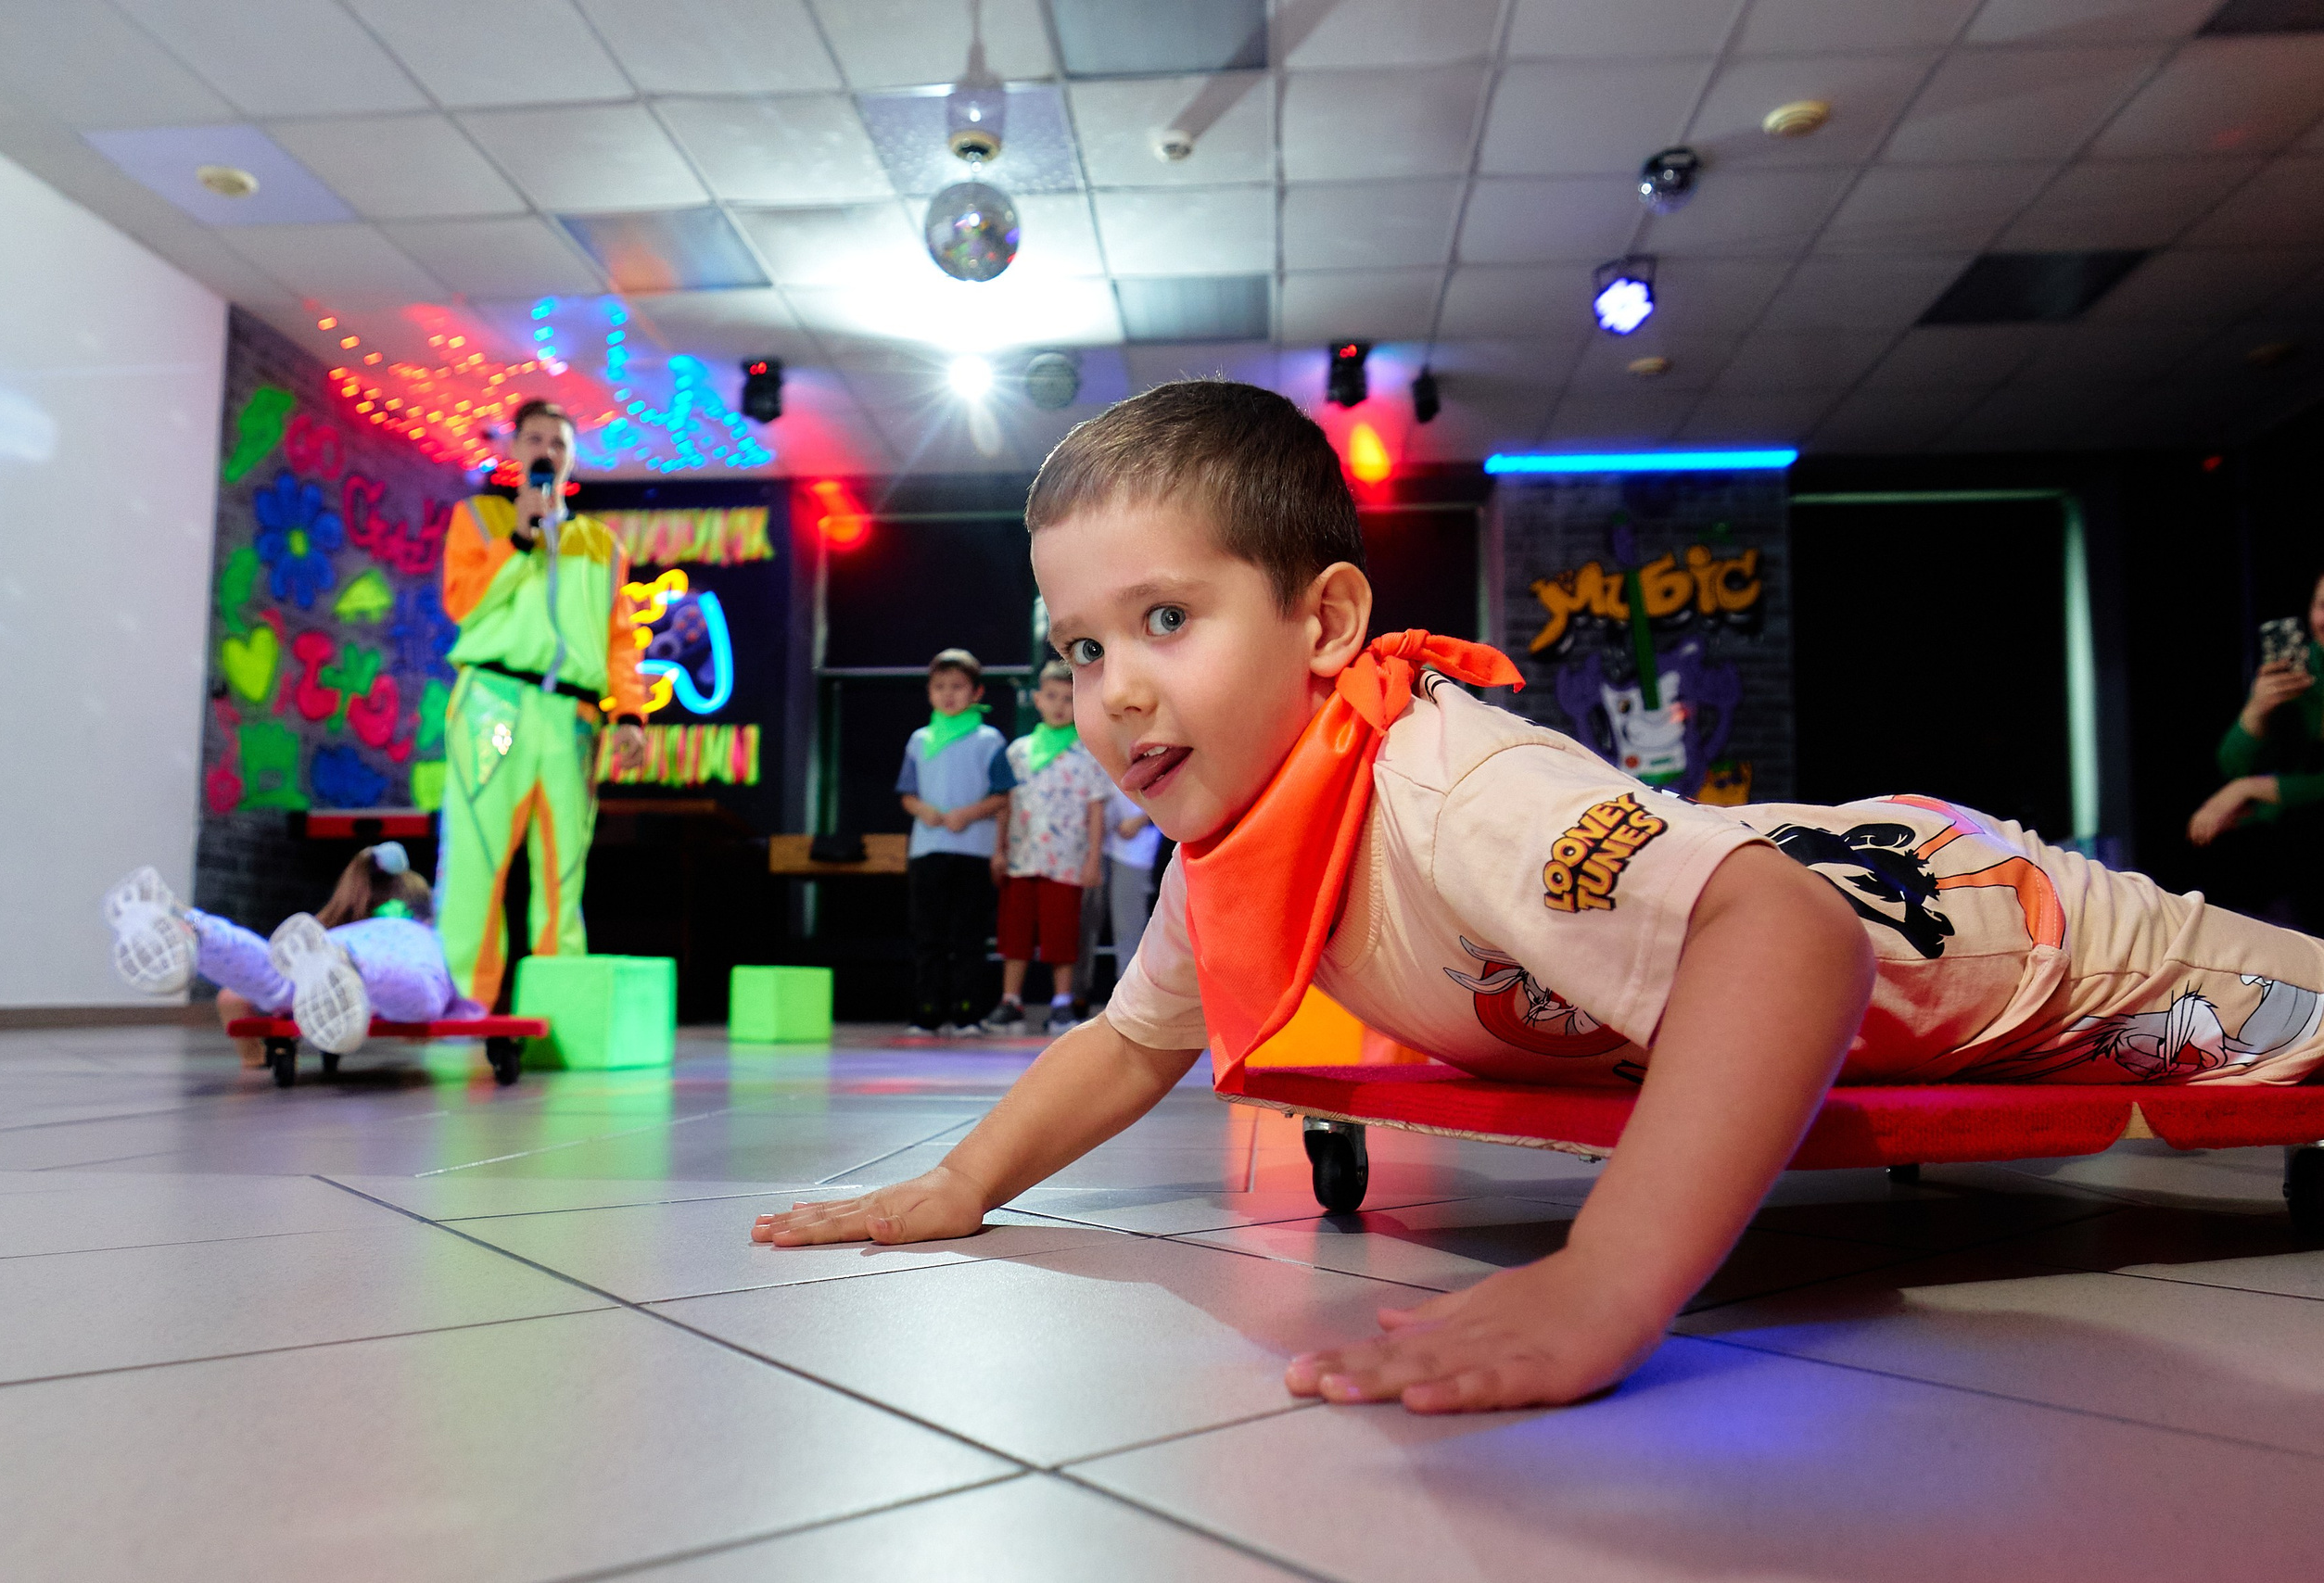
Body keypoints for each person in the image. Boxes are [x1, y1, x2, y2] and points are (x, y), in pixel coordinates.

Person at [756, 380, 2324, 1417]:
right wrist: (962, 1181)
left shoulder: (1451, 784)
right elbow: (1130, 1037)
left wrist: (1610, 1276)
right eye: (1084, 645)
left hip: (2022, 938)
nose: (1114, 688)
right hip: (1877, 917)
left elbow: (1792, 934)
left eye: (1166, 617)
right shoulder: (1238, 841)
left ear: (1326, 622)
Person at [438, 399, 648, 1010]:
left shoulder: (601, 545)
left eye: (558, 443)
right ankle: (463, 1006)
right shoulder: (479, 519)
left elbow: (620, 638)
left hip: (572, 717)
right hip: (493, 702)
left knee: (564, 870)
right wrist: (519, 537)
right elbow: (463, 603)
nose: (546, 452)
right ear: (512, 449)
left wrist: (629, 713)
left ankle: (560, 1009)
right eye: (534, 440)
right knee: (477, 859)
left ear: (572, 458)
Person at [105, 843, 480, 1062]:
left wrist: (253, 1058)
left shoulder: (332, 934)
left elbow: (232, 998)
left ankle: (194, 926)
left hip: (336, 948)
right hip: (377, 959)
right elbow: (445, 1005)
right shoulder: (423, 935)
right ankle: (356, 968)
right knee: (423, 995)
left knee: (277, 979)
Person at [983, 660, 1112, 1033]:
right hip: (1021, 858)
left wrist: (1093, 859)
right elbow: (1005, 806)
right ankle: (1010, 1000)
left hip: (1066, 860)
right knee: (1015, 932)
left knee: (1061, 933)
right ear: (1037, 699)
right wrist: (998, 850)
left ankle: (1061, 1002)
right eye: (1052, 697)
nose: (1059, 706)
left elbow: (1096, 811)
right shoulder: (1018, 752)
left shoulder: (1087, 754)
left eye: (1068, 699)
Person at [2191, 572, 2324, 929]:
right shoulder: (2302, 668)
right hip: (2290, 850)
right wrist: (2256, 713)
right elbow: (2232, 765)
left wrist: (2248, 789)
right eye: (2321, 605)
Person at [897, 648, 1013, 1035]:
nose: (948, 694)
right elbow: (907, 794)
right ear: (930, 692)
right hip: (927, 850)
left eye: (958, 687)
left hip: (974, 851)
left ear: (977, 692)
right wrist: (922, 809)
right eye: (940, 687)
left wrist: (969, 814)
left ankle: (968, 1013)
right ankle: (927, 1012)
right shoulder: (919, 740)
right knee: (927, 935)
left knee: (969, 936)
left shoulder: (989, 739)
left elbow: (1002, 795)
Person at [1100, 785, 1161, 984]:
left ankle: (1133, 992)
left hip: (1136, 852)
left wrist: (1141, 820)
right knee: (1092, 927)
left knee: (1129, 929)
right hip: (1099, 846)